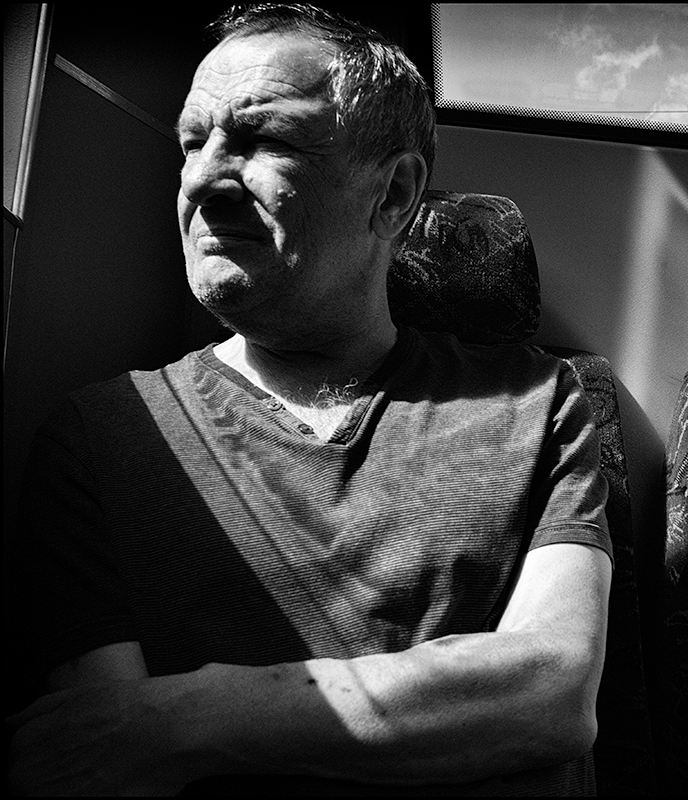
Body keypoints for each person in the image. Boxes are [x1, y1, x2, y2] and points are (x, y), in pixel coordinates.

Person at [7, 5, 612, 795]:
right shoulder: (100, 438)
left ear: (393, 194)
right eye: (192, 141)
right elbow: (104, 753)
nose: (202, 179)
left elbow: (553, 692)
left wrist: (192, 715)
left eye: (265, 139)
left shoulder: (536, 404)